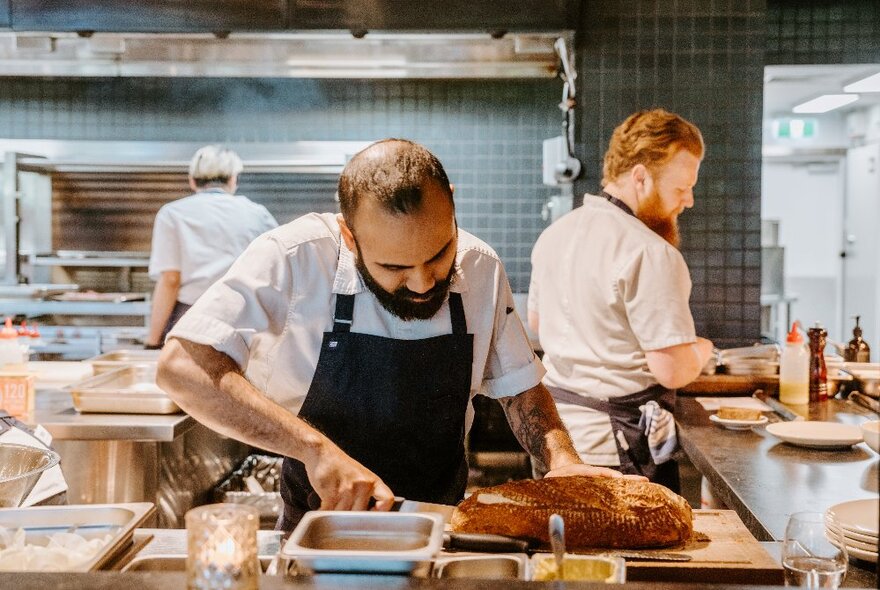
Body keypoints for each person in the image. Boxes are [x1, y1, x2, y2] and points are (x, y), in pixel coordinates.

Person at [157, 138, 632, 531]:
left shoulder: (481, 267)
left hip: (443, 526)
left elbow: (521, 390)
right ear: (349, 236)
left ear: (453, 205)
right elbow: (182, 367)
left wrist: (563, 461)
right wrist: (313, 449)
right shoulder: (295, 257)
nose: (424, 283)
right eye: (394, 267)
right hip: (317, 530)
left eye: (439, 254)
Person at [527, 109, 715, 491]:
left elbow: (538, 325)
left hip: (552, 440)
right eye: (681, 189)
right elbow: (672, 370)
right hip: (613, 450)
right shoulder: (650, 252)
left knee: (561, 548)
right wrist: (702, 350)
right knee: (632, 551)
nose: (689, 201)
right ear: (641, 177)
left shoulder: (556, 234)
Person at [144, 145, 278, 348]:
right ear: (233, 179)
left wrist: (152, 341)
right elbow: (276, 272)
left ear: (192, 180)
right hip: (242, 319)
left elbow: (170, 280)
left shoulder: (172, 214)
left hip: (190, 318)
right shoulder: (258, 214)